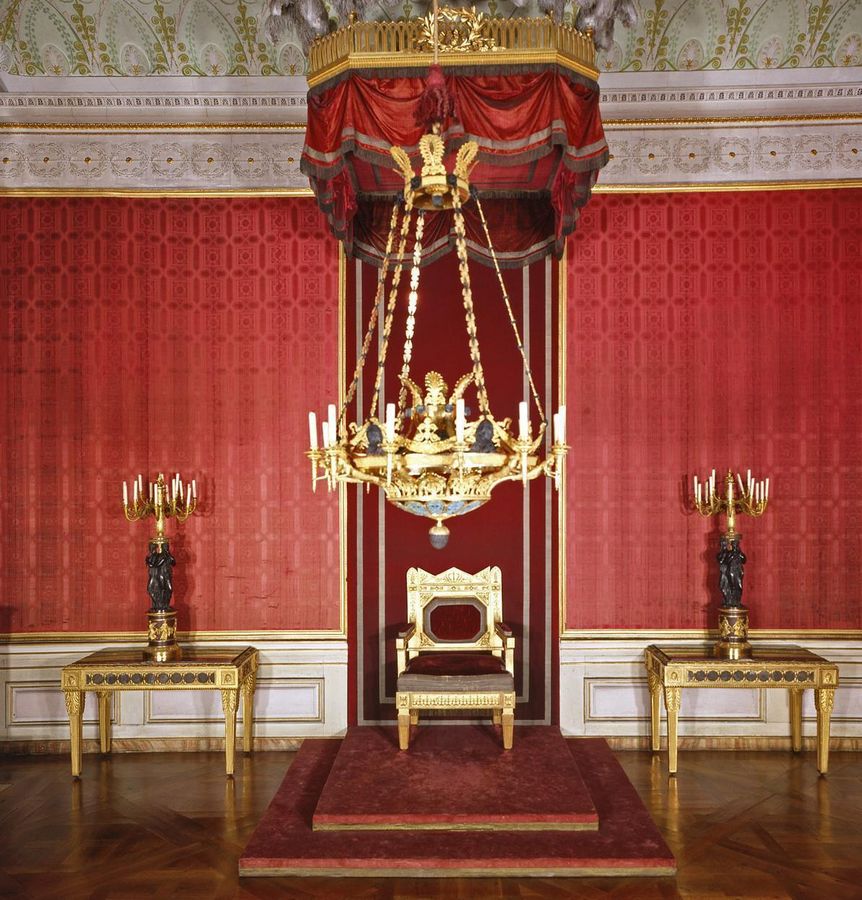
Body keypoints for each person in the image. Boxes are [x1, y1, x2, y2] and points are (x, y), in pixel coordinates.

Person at [146, 541, 176, 611]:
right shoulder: (154, 555)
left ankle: (164, 605)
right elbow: (155, 564)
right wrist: (148, 561)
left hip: (165, 575)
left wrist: (168, 553)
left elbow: (173, 563)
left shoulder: (165, 556)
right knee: (152, 589)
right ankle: (157, 605)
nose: (166, 548)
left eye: (167, 547)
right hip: (156, 575)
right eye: (165, 547)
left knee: (168, 589)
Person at [717, 535, 746, 607]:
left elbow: (744, 560)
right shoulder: (727, 554)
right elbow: (722, 561)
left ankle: (736, 601)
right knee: (724, 586)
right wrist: (727, 552)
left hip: (737, 571)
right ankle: (728, 601)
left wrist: (738, 552)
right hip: (729, 571)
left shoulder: (738, 553)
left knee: (737, 586)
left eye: (736, 544)